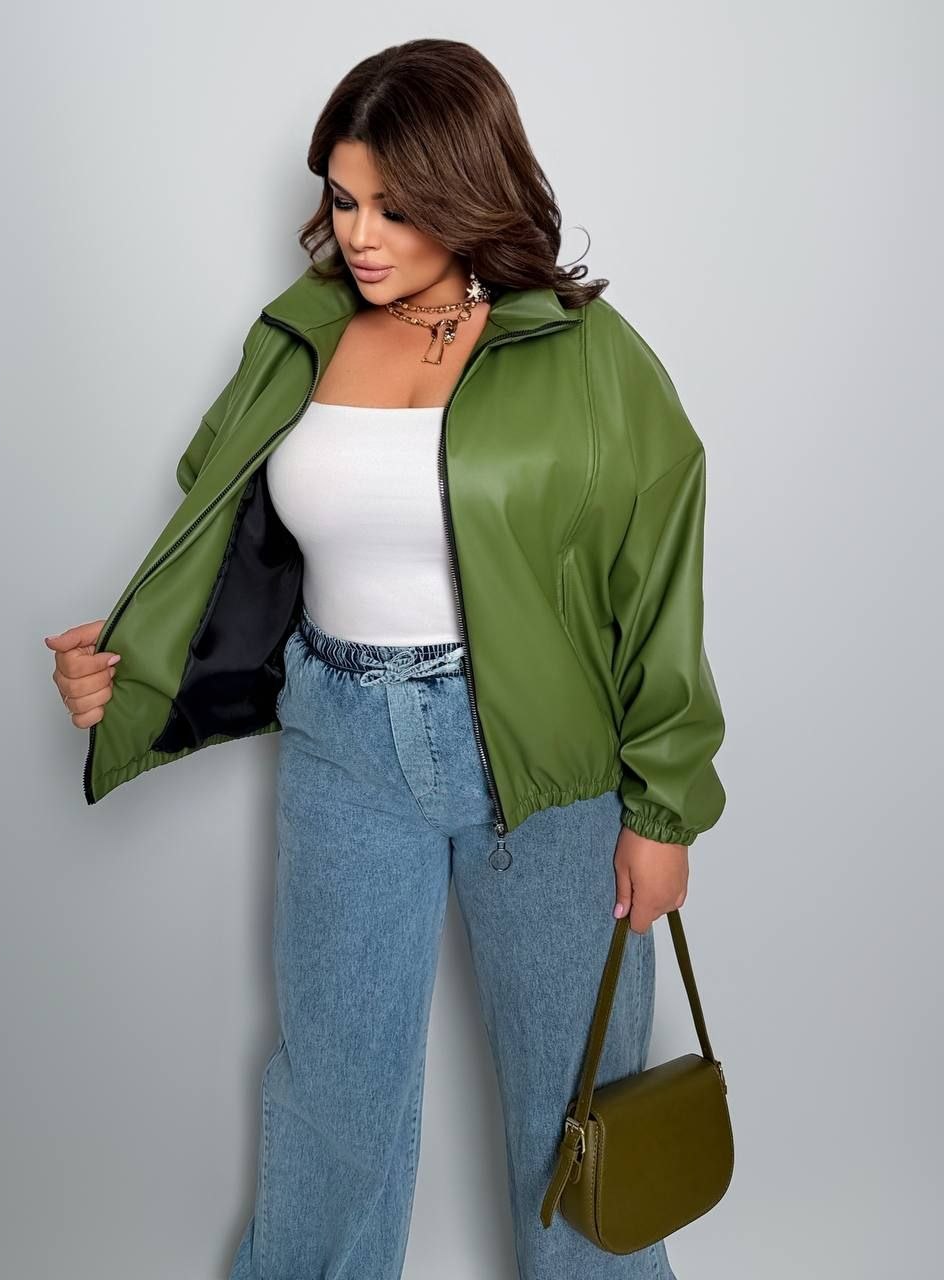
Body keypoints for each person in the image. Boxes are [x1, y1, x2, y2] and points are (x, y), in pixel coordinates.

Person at [45, 37, 726, 1280]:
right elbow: (216, 521)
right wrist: (127, 654)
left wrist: (663, 809)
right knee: (333, 1096)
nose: (359, 235)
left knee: (574, 1107)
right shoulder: (299, 335)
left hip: (547, 762)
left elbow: (659, 581)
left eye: (396, 207)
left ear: (470, 188)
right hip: (343, 743)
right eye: (345, 199)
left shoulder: (587, 352)